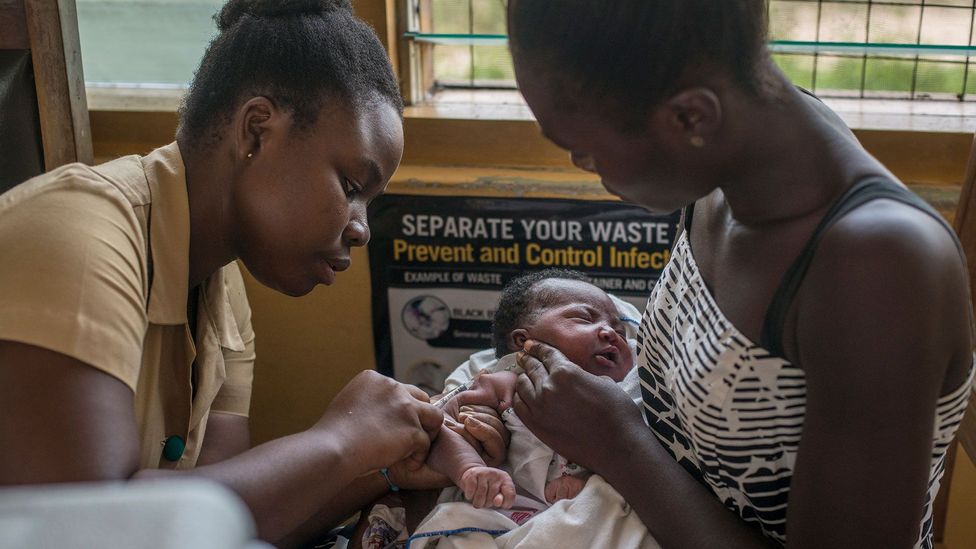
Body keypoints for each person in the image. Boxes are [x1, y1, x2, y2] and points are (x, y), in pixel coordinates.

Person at [0, 1, 505, 546]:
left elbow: (221, 523)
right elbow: (89, 532)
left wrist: (379, 469)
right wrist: (339, 441)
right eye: (353, 188)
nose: (361, 231)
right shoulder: (79, 236)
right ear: (257, 131)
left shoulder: (222, 295)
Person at [506, 2, 976, 548]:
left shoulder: (875, 267)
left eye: (583, 149)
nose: (581, 166)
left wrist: (620, 444)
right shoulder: (722, 166)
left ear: (690, 118)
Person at [427, 269, 635, 512]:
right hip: (505, 507)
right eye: (584, 319)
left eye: (620, 331)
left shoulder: (628, 394)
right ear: (524, 342)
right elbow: (442, 427)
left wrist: (590, 483)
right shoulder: (506, 384)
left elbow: (642, 460)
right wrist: (470, 468)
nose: (610, 333)